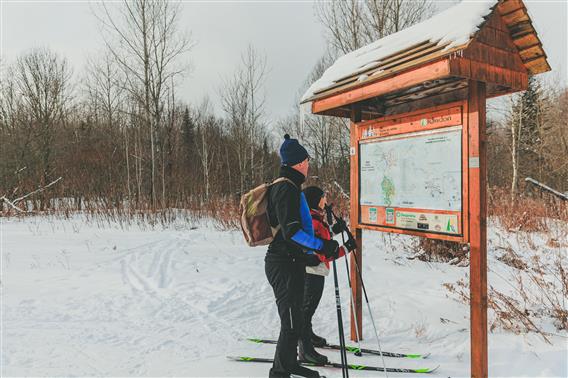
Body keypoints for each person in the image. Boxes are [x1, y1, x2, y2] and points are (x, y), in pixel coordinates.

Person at [265, 135, 352, 378]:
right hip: (282, 263)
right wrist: (322, 246)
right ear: (299, 162)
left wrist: (309, 257)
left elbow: (290, 232)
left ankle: (288, 363)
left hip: (291, 261)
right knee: (291, 321)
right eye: (306, 160)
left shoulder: (290, 187)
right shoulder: (286, 188)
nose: (308, 164)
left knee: (294, 319)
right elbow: (292, 232)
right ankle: (280, 372)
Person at [302, 186, 357, 349]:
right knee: (307, 307)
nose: (325, 200)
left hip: (313, 270)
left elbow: (321, 238)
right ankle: (304, 342)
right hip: (312, 271)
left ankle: (307, 333)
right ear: (315, 201)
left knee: (308, 307)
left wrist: (334, 229)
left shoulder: (313, 218)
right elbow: (324, 253)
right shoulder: (314, 221)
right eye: (322, 197)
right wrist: (346, 248)